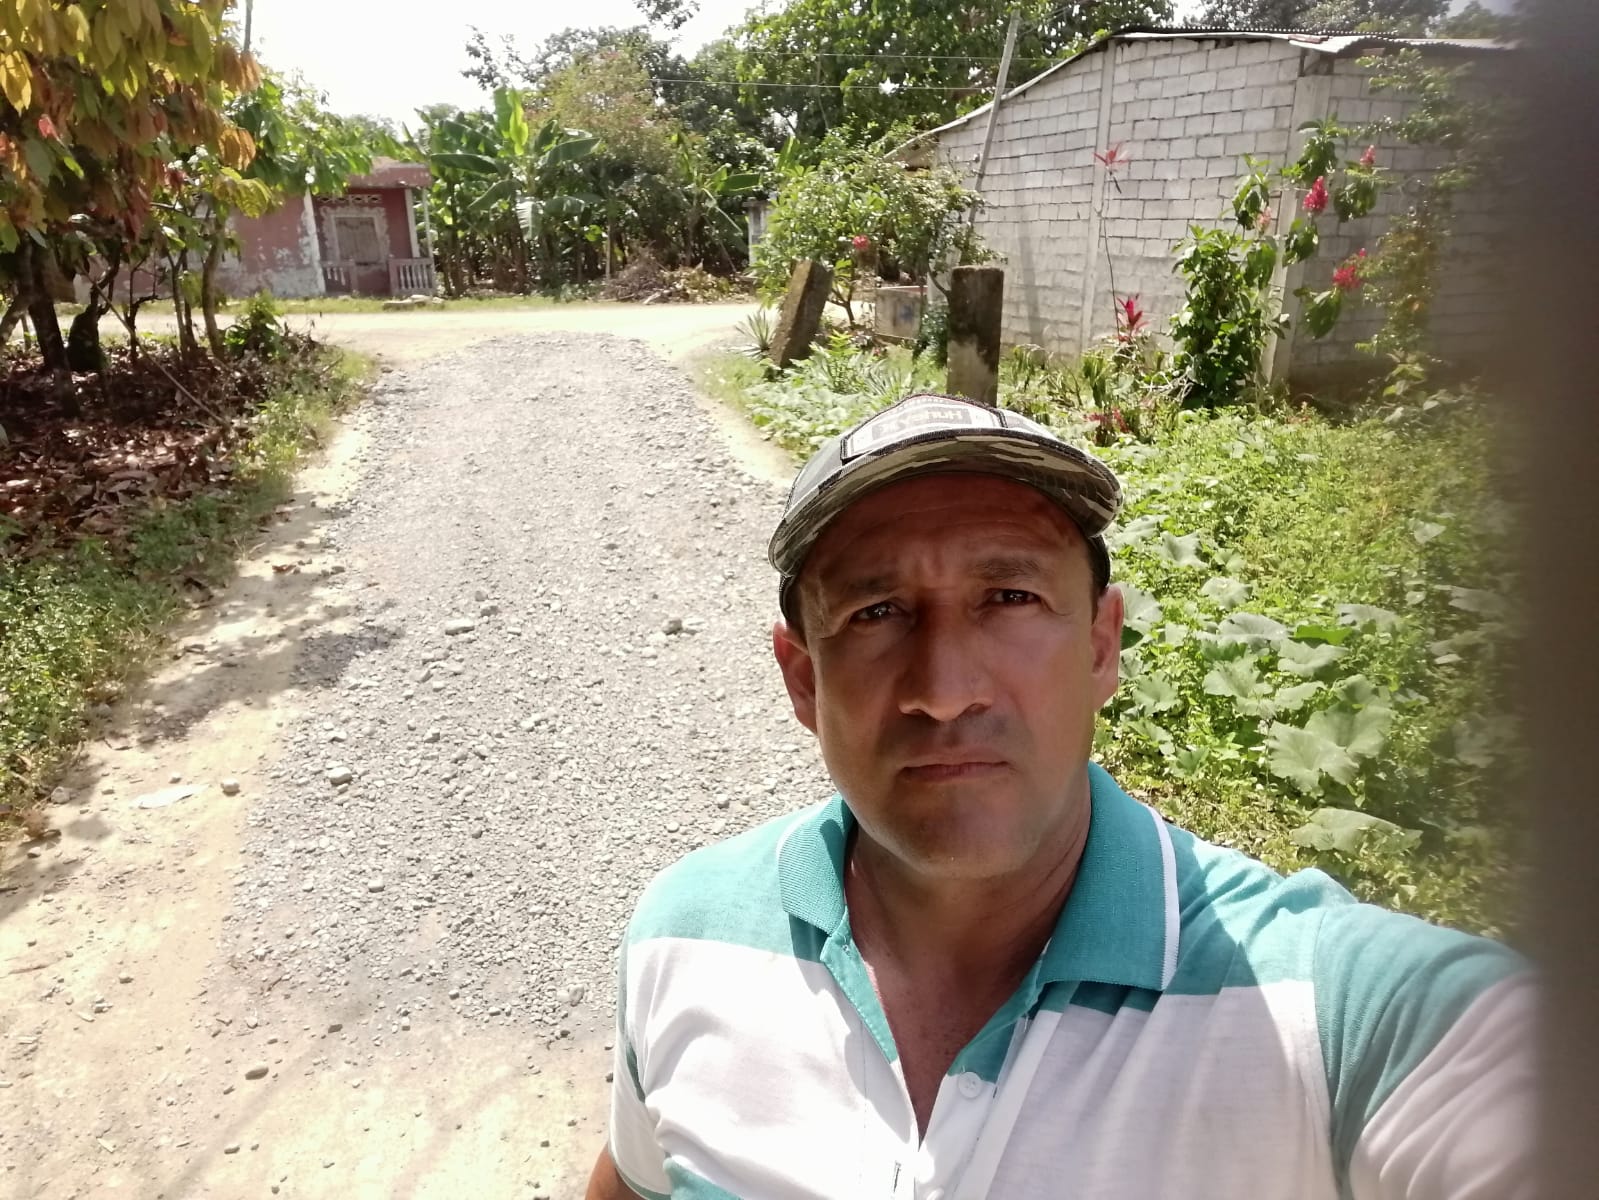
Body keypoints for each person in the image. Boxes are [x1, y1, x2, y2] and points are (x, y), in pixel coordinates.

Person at [585, 393, 1532, 1200]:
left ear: (1099, 647)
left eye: (1010, 598)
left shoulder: (1328, 1013)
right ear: (803, 680)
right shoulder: (683, 935)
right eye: (876, 613)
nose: (945, 689)